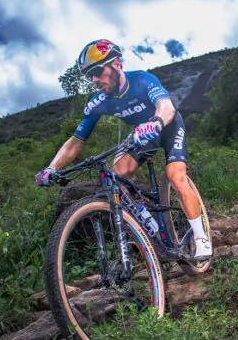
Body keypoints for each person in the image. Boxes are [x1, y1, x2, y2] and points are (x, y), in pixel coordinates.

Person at [35, 39, 212, 258]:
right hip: (142, 135)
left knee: (175, 176)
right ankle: (141, 214)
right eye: (89, 76)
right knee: (114, 175)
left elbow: (166, 106)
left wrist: (156, 122)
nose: (94, 80)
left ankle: (201, 237)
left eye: (98, 71)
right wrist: (51, 168)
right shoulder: (98, 102)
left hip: (167, 126)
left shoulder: (142, 80)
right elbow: (76, 141)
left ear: (116, 64)